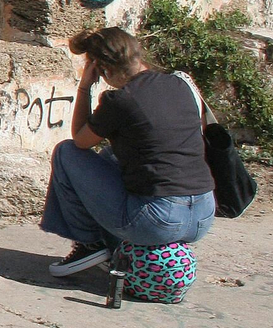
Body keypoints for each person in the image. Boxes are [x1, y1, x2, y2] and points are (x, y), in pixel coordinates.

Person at [43, 27, 215, 279]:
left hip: (159, 221)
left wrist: (84, 87)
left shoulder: (120, 100)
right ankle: (114, 243)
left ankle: (90, 244)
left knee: (66, 153)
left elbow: (80, 141)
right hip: (203, 214)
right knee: (111, 155)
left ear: (103, 69)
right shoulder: (181, 84)